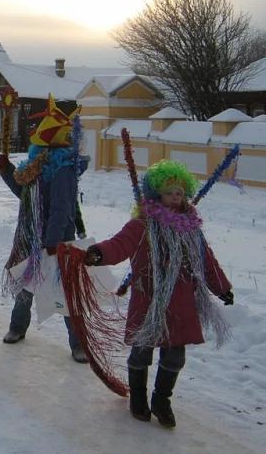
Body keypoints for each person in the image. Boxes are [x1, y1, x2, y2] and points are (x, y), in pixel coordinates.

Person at [82, 160, 233, 428]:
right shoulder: (142, 225)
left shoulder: (190, 228)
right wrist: (99, 253)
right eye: (169, 192)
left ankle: (162, 400)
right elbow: (119, 245)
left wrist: (222, 287)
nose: (175, 197)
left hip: (181, 303)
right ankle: (138, 397)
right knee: (142, 351)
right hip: (149, 300)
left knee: (175, 356)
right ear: (156, 194)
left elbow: (205, 260)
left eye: (179, 192)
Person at [0, 94, 87, 363]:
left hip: (56, 241)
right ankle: (17, 327)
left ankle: (78, 344)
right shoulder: (35, 165)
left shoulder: (64, 170)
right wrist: (6, 172)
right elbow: (24, 196)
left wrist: (51, 242)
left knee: (63, 292)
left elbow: (62, 209)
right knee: (26, 286)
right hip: (29, 236)